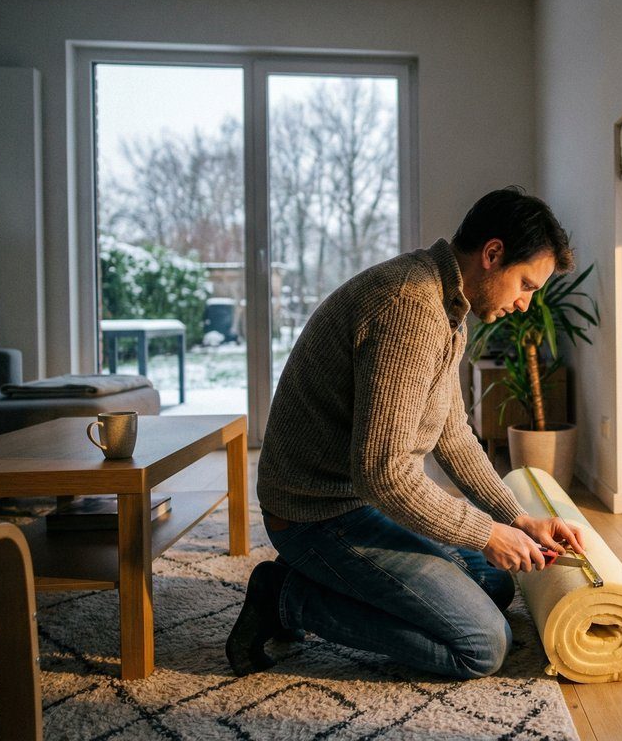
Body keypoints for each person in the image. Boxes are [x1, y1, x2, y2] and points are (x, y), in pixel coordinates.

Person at [227, 186, 587, 680]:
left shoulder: (448, 305)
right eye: (525, 284)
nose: (526, 304)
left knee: (500, 580)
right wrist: (485, 533)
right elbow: (384, 473)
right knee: (482, 646)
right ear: (493, 254)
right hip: (316, 513)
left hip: (361, 501)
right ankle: (287, 599)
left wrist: (517, 520)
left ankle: (325, 580)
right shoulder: (410, 307)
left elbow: (454, 435)